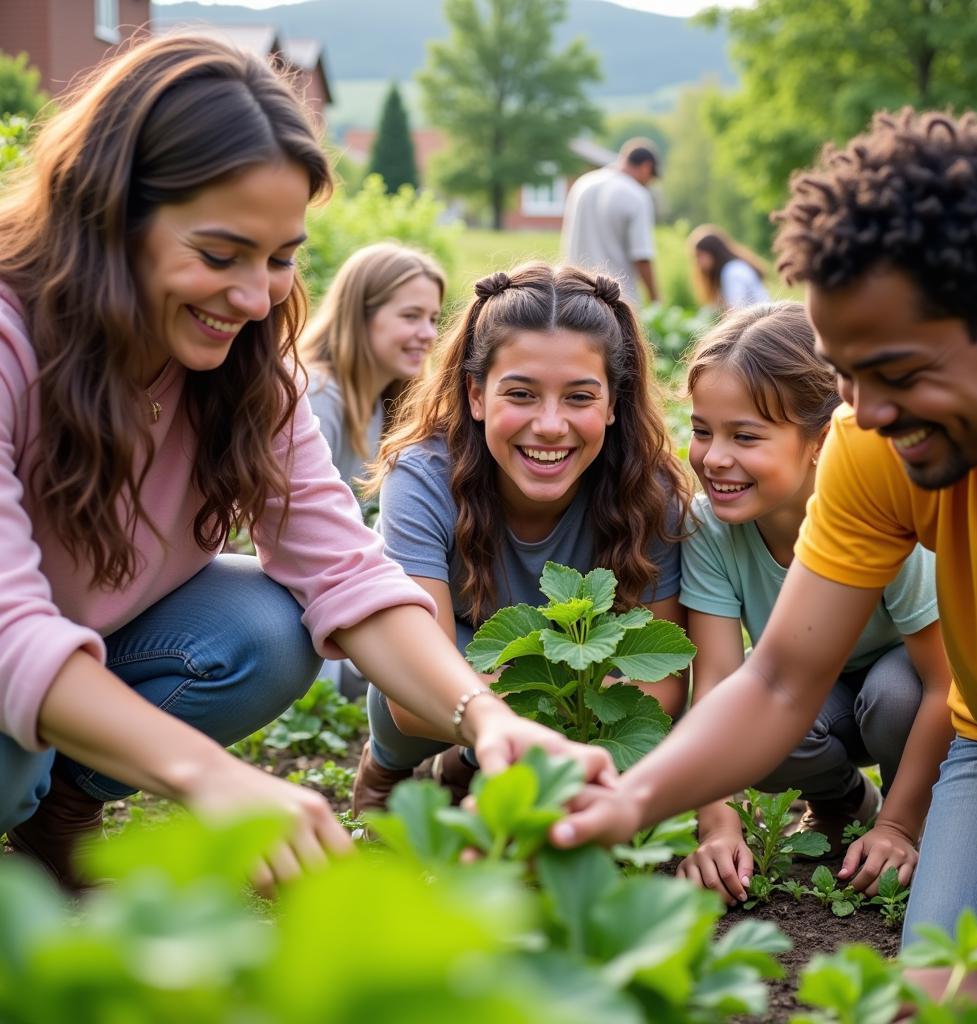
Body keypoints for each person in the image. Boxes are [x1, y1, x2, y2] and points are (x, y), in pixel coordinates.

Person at [0, 34, 613, 894]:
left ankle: (63, 804)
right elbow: (8, 624)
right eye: (219, 256)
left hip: (76, 640)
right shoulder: (12, 338)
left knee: (263, 628)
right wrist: (209, 776)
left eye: (280, 258)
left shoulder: (248, 371)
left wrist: (492, 720)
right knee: (8, 761)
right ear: (110, 216)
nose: (255, 299)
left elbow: (346, 574)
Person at [552, 108, 977, 1010]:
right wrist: (629, 800)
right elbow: (775, 684)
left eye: (898, 371)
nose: (868, 412)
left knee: (971, 990)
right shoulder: (866, 441)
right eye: (846, 376)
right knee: (943, 989)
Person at [352, 263, 692, 813]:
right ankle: (385, 771)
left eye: (580, 397)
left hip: (567, 682)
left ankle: (466, 765)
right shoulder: (422, 479)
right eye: (522, 394)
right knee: (416, 660)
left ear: (613, 404)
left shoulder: (649, 492)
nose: (551, 425)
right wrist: (550, 708)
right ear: (477, 395)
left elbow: (662, 683)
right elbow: (411, 697)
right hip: (464, 659)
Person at [677, 302, 951, 904]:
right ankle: (843, 800)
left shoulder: (881, 511)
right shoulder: (709, 527)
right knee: (753, 722)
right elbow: (719, 682)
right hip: (810, 690)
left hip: (905, 692)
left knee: (894, 695)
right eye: (702, 431)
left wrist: (898, 827)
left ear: (820, 440)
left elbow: (943, 684)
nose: (714, 457)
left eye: (744, 436)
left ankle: (911, 816)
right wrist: (717, 823)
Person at [298, 243, 444, 496]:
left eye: (433, 319)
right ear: (360, 317)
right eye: (411, 316)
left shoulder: (382, 401)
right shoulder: (316, 395)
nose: (429, 334)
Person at [561, 139, 660, 306]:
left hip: (575, 295)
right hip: (617, 300)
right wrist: (655, 299)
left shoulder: (583, 184)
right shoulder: (636, 195)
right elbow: (641, 255)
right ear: (646, 167)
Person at [688, 224, 769, 311]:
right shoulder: (734, 268)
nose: (697, 262)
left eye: (700, 256)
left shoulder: (732, 272)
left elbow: (737, 310)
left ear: (713, 252)